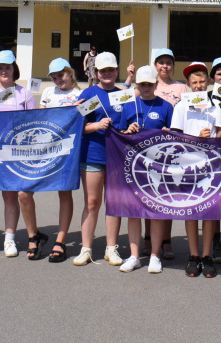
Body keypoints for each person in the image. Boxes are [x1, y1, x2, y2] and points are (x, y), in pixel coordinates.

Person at [0, 50, 40, 259]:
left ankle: (9, 239)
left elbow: (33, 123)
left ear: (14, 69)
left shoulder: (24, 94)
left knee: (10, 195)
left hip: (14, 152)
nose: (4, 71)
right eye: (0, 68)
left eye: (8, 67)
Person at [170, 66, 221, 278]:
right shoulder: (181, 107)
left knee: (208, 212)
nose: (198, 86)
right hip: (187, 166)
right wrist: (196, 136)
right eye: (194, 83)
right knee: (190, 211)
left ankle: (206, 257)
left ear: (208, 84)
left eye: (202, 82)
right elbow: (176, 139)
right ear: (188, 85)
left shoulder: (215, 108)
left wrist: (213, 137)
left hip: (211, 167)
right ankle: (193, 256)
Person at [114, 65, 173, 274]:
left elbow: (174, 137)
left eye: (150, 84)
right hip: (132, 167)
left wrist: (168, 132)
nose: (146, 88)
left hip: (157, 168)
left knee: (156, 212)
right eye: (142, 84)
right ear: (137, 85)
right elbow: (119, 134)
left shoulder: (166, 106)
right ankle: (134, 255)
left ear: (156, 84)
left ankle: (155, 255)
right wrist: (127, 130)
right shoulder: (129, 107)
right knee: (133, 213)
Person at [73, 51, 123, 266]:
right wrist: (96, 125)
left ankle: (111, 248)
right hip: (92, 154)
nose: (107, 73)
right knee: (91, 203)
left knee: (113, 203)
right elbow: (76, 127)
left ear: (117, 71)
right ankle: (86, 248)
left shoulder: (124, 95)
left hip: (117, 157)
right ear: (96, 72)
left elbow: (131, 121)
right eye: (103, 70)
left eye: (111, 69)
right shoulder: (89, 95)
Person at [40, 57, 83, 262]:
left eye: (61, 75)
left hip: (68, 150)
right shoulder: (48, 92)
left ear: (70, 72)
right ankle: (33, 236)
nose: (58, 80)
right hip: (47, 149)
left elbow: (84, 118)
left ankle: (61, 240)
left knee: (64, 193)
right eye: (54, 77)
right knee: (25, 191)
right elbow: (40, 117)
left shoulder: (80, 94)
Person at [146, 47, 186, 259]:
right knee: (148, 194)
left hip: (173, 149)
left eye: (168, 62)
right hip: (147, 150)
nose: (165, 66)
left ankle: (166, 240)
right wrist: (129, 79)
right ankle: (147, 238)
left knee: (166, 196)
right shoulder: (148, 84)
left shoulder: (181, 87)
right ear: (155, 66)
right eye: (161, 62)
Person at [204, 58, 221, 263]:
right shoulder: (203, 97)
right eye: (219, 74)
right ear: (213, 76)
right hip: (211, 154)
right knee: (212, 199)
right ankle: (215, 241)